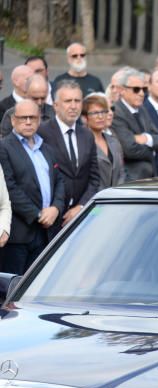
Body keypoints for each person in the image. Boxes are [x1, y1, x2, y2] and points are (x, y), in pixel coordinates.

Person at [0, 100, 65, 274]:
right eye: (23, 118)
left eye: (33, 118)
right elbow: (9, 188)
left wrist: (56, 208)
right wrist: (38, 215)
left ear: (39, 120)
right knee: (12, 288)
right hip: (19, 234)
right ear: (13, 120)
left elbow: (59, 181)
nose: (28, 122)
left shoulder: (46, 148)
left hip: (46, 233)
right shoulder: (4, 147)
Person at [37, 80, 100, 229]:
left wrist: (81, 206)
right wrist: (56, 208)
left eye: (77, 101)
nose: (73, 106)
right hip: (50, 218)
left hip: (81, 216)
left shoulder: (87, 134)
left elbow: (94, 177)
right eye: (68, 101)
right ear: (56, 105)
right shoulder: (42, 133)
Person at [110, 68, 158, 181]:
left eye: (144, 89)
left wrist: (146, 138)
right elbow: (129, 150)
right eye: (136, 89)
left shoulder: (142, 110)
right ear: (122, 90)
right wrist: (153, 150)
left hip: (148, 176)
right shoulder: (116, 112)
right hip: (130, 179)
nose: (141, 93)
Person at [82, 93, 125, 189]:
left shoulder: (114, 141)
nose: (100, 117)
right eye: (95, 113)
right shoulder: (82, 142)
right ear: (85, 117)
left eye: (103, 112)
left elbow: (121, 173)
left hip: (117, 197)